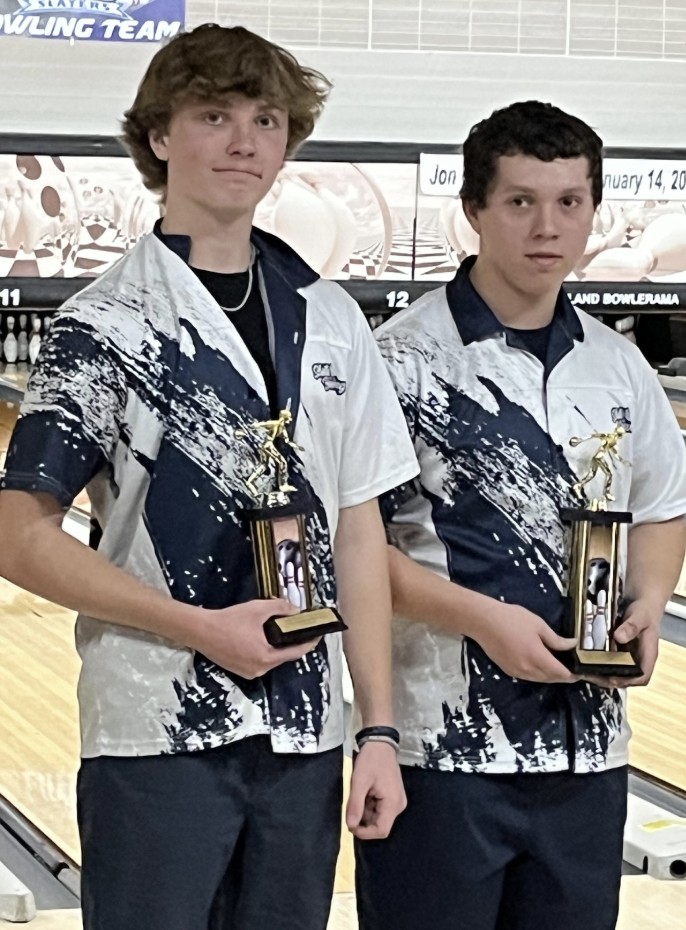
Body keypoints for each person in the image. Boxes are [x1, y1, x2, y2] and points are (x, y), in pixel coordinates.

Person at [0, 24, 419, 930]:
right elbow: (19, 535)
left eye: (266, 119)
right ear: (158, 136)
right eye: (214, 115)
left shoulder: (332, 319)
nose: (244, 142)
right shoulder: (103, 324)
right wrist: (198, 627)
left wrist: (378, 729)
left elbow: (359, 531)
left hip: (307, 732)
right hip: (156, 730)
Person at [356, 100, 686, 930]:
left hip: (589, 753)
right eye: (521, 201)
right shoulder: (398, 362)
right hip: (440, 751)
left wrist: (647, 602)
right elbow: (351, 549)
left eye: (570, 202)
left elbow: (661, 510)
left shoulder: (620, 368)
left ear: (592, 212)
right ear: (474, 210)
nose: (549, 227)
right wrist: (483, 619)